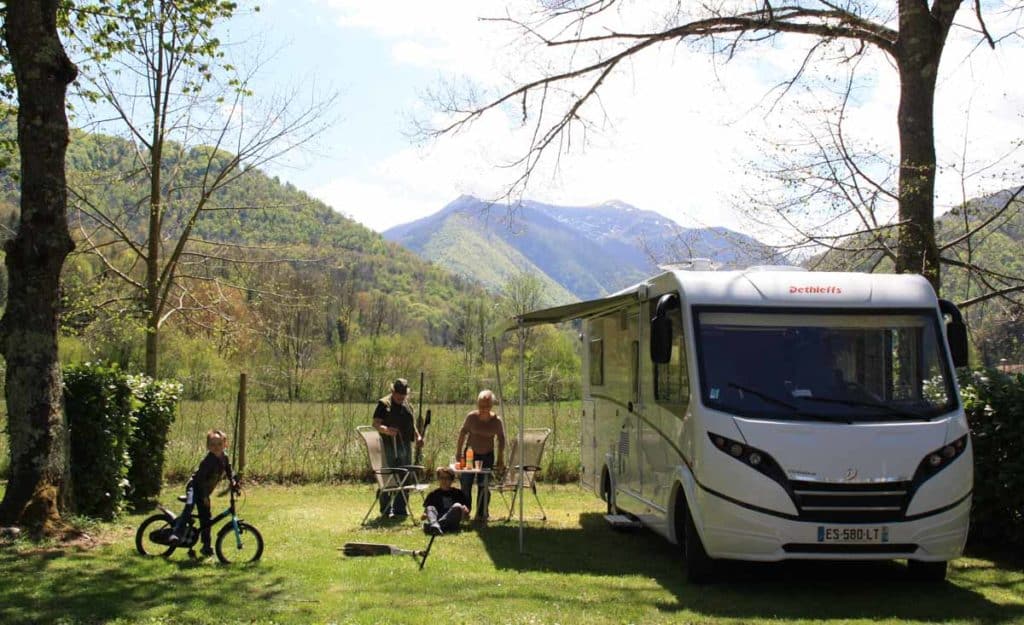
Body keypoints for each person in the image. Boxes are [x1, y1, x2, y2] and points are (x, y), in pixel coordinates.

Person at [170, 429, 237, 557]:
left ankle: (206, 546)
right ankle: (176, 533)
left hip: (204, 490)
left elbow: (229, 471)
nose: (216, 447)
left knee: (206, 518)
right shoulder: (208, 461)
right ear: (208, 446)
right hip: (195, 487)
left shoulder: (224, 457)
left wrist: (233, 481)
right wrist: (205, 496)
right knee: (190, 505)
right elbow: (199, 480)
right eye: (213, 444)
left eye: (219, 444)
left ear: (225, 444)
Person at [371, 377, 423, 517]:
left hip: (405, 446)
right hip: (388, 445)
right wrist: (387, 430)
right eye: (399, 394)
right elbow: (375, 424)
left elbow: (411, 425)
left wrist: (418, 436)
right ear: (393, 391)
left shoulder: (407, 405)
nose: (401, 397)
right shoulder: (384, 404)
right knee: (389, 476)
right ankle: (386, 510)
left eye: (403, 394)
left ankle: (400, 510)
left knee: (405, 476)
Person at [456, 389, 506, 523]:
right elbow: (462, 433)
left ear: (492, 405)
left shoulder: (496, 421)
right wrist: (458, 452)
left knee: (484, 485)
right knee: (466, 484)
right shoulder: (471, 417)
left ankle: (482, 513)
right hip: (470, 455)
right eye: (481, 406)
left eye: (487, 406)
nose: (484, 409)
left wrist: (501, 458)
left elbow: (501, 439)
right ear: (477, 404)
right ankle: (464, 512)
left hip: (487, 456)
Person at [421, 466, 470, 536]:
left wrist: (465, 510)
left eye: (447, 478)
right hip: (438, 516)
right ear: (438, 479)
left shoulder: (458, 493)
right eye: (442, 478)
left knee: (457, 506)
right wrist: (425, 514)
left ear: (452, 480)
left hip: (452, 520)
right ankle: (435, 526)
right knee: (430, 507)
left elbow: (466, 514)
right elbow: (425, 514)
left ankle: (433, 526)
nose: (444, 480)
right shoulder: (433, 494)